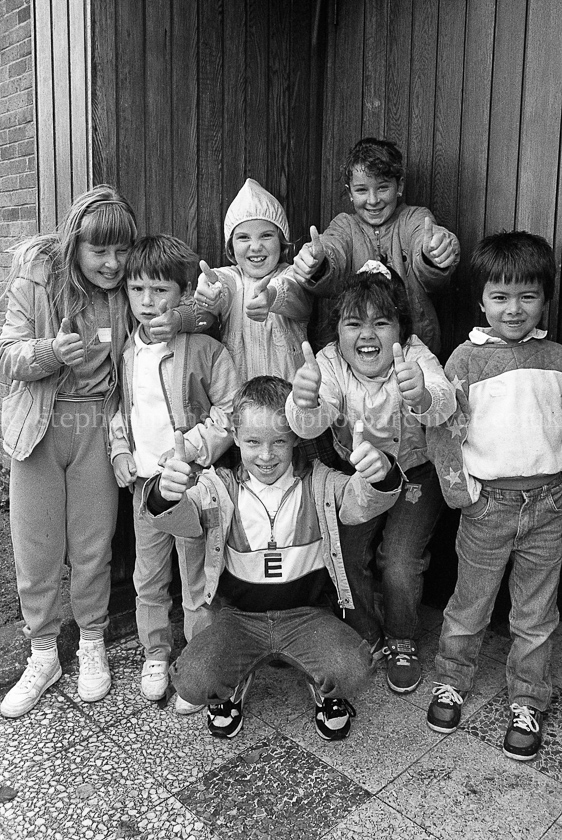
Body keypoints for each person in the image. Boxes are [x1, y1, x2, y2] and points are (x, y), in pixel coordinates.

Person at [0, 185, 192, 720]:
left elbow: (192, 302)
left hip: (98, 426)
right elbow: (7, 353)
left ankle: (91, 643)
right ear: (74, 245)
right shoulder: (36, 277)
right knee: (36, 548)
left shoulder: (129, 291)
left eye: (120, 251)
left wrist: (180, 319)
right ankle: (41, 654)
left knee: (92, 547)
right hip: (38, 426)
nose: (112, 263)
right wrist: (47, 352)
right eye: (99, 251)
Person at [141, 376, 404, 741]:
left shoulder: (320, 482)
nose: (266, 456)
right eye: (252, 442)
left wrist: (382, 473)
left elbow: (361, 501)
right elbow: (184, 519)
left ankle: (323, 689)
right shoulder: (218, 488)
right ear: (234, 435)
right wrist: (165, 495)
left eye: (278, 441)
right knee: (192, 680)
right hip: (239, 620)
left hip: (308, 616)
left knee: (354, 670)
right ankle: (231, 687)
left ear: (295, 437)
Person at [286, 263, 456, 694]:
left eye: (381, 322)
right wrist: (303, 402)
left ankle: (401, 638)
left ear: (401, 328)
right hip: (360, 476)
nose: (367, 334)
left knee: (398, 560)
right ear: (336, 330)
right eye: (353, 323)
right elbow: (311, 420)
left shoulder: (416, 357)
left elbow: (443, 401)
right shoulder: (327, 362)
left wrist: (420, 393)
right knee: (345, 548)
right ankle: (365, 630)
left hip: (416, 474)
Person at [425, 230, 562, 762]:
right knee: (469, 604)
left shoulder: (555, 358)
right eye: (500, 296)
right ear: (481, 300)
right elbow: (442, 431)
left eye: (528, 296)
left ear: (545, 299)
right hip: (488, 508)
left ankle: (528, 698)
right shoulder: (464, 359)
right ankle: (451, 680)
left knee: (536, 611)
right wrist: (463, 496)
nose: (514, 308)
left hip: (549, 507)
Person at [110, 234, 240, 708]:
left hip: (191, 487)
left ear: (182, 294)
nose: (148, 301)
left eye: (160, 290)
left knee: (197, 577)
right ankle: (156, 653)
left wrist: (192, 450)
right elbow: (118, 407)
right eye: (137, 289)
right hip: (146, 489)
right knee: (148, 577)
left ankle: (199, 660)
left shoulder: (204, 348)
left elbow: (229, 410)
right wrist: (120, 450)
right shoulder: (126, 351)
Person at [291, 137, 460, 354]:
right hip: (358, 355)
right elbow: (332, 248)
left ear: (399, 186)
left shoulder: (414, 218)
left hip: (414, 353)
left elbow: (427, 238)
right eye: (361, 190)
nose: (373, 200)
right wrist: (316, 262)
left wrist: (436, 251)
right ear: (350, 192)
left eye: (382, 188)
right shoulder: (344, 225)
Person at [194, 178, 312, 381]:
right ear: (230, 247)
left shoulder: (292, 274)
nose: (255, 246)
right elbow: (223, 282)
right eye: (244, 237)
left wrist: (272, 296)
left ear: (282, 241)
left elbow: (292, 291)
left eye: (266, 235)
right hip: (242, 404)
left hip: (288, 403)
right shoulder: (234, 279)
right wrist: (209, 288)